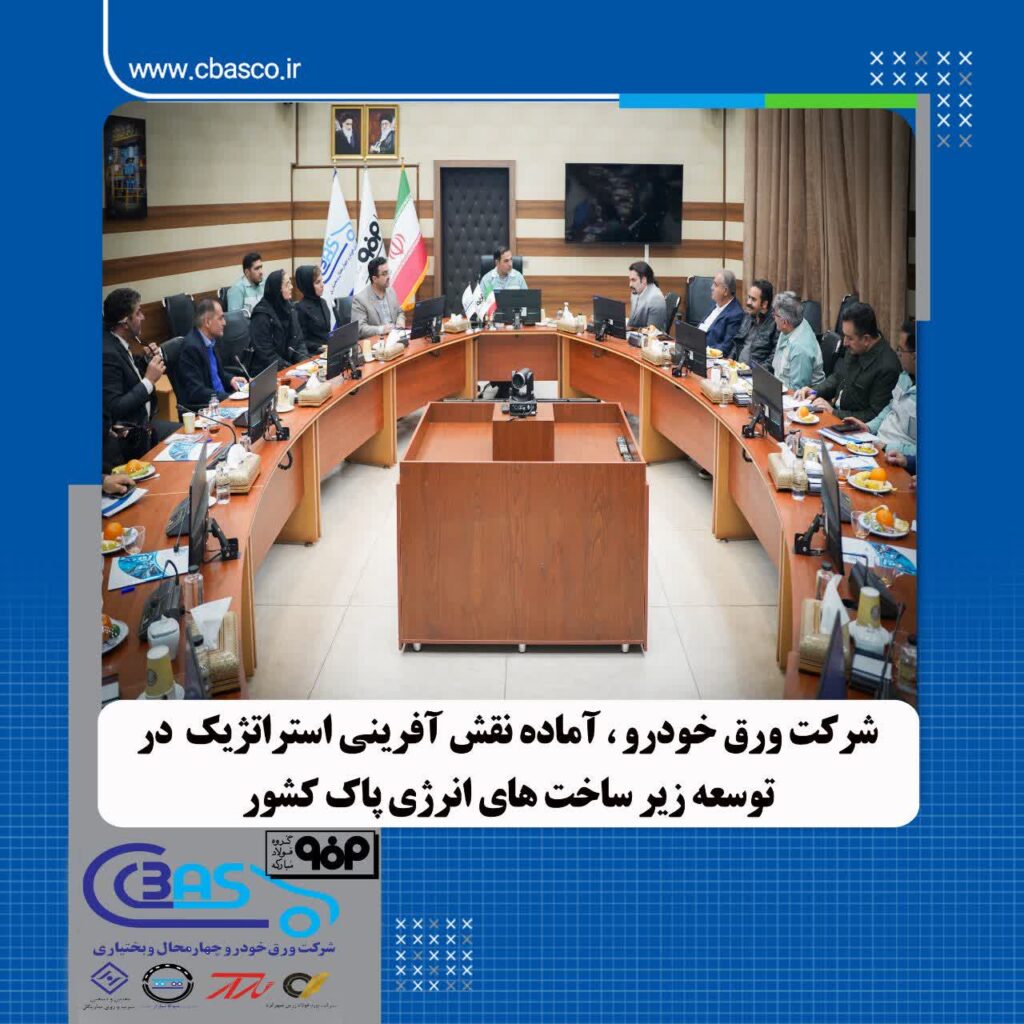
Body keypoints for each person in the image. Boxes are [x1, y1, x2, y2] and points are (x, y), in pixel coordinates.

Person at [102, 287, 177, 464]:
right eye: (138, 313)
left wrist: (144, 361)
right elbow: (115, 408)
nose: (143, 317)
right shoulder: (107, 353)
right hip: (130, 440)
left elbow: (127, 375)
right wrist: (149, 381)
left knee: (189, 436)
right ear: (125, 322)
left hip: (146, 426)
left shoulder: (116, 343)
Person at [794, 302, 901, 422]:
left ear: (866, 339)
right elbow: (839, 377)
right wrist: (815, 391)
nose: (844, 343)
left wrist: (834, 413)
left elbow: (875, 415)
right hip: (836, 413)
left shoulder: (887, 367)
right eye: (844, 336)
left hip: (851, 426)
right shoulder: (856, 347)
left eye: (849, 338)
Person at [839, 319, 917, 459]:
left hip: (895, 457)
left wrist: (887, 446)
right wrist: (868, 427)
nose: (898, 354)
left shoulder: (887, 366)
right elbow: (891, 408)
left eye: (901, 350)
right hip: (875, 443)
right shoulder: (905, 376)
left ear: (915, 356)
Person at [176, 299, 247, 412]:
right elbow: (196, 391)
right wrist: (229, 398)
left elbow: (216, 373)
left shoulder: (211, 340)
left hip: (222, 399)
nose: (224, 323)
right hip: (210, 408)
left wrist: (231, 379)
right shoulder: (191, 348)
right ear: (207, 322)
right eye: (220, 318)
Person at [249, 270, 305, 373]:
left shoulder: (290, 307)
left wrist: (305, 363)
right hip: (266, 371)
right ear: (277, 289)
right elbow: (266, 353)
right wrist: (289, 369)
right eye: (287, 284)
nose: (292, 287)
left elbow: (298, 341)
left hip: (288, 366)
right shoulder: (261, 315)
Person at [770, 291, 824, 391]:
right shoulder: (793, 324)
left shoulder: (800, 349)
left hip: (794, 396)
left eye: (775, 314)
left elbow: (797, 391)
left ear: (785, 322)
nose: (773, 317)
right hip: (778, 387)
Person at [352, 257, 406, 339]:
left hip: (395, 337)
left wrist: (400, 322)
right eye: (384, 274)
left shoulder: (391, 291)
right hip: (377, 342)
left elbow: (400, 312)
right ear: (374, 279)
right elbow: (360, 328)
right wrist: (381, 329)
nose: (388, 276)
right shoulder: (360, 300)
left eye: (388, 272)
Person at [728, 278, 778, 365]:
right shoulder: (748, 315)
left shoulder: (775, 323)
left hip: (754, 372)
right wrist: (729, 361)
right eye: (749, 297)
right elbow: (737, 343)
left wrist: (756, 372)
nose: (748, 302)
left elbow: (774, 357)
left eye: (753, 299)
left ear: (764, 304)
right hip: (735, 368)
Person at [698, 269, 744, 354]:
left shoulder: (736, 314)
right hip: (695, 348)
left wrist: (704, 351)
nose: (711, 287)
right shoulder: (717, 304)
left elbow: (726, 347)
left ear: (725, 291)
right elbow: (702, 326)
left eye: (715, 285)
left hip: (709, 356)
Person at [294, 265, 332, 351]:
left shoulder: (323, 302)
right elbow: (301, 341)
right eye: (317, 282)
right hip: (314, 353)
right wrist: (319, 347)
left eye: (321, 281)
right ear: (308, 285)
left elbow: (326, 332)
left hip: (328, 349)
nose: (322, 285)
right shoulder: (300, 309)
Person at [626, 261, 667, 333]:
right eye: (630, 280)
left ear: (644, 280)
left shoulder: (656, 299)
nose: (630, 284)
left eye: (633, 280)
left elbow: (652, 333)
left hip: (649, 338)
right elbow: (632, 322)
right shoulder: (635, 292)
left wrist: (630, 330)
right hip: (635, 333)